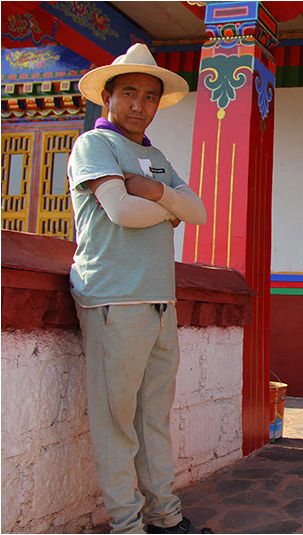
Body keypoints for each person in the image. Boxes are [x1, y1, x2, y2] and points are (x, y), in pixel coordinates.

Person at [68, 43, 210, 534]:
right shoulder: (95, 145)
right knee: (116, 423)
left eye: (150, 97)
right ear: (107, 96)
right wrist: (170, 209)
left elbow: (198, 212)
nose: (139, 105)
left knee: (153, 421)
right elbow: (121, 211)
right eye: (129, 92)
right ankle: (127, 526)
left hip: (159, 301)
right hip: (114, 298)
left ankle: (165, 518)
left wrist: (156, 192)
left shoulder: (155, 157)